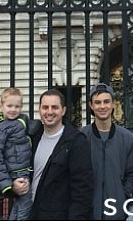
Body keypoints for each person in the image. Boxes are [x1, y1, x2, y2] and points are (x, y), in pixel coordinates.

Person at [28, 87, 93, 221]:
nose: (49, 112)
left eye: (55, 107)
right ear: (39, 110)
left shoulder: (76, 141)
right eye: (45, 107)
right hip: (30, 213)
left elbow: (82, 189)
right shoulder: (33, 136)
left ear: (63, 110)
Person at [82, 81, 133, 220]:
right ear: (91, 105)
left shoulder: (127, 138)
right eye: (98, 102)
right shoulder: (82, 137)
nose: (102, 106)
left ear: (113, 104)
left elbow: (131, 173)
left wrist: (123, 194)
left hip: (117, 212)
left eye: (106, 101)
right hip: (88, 212)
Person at [0, 87, 35, 220]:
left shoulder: (19, 121)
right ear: (1, 106)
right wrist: (7, 184)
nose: (13, 109)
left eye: (17, 106)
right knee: (26, 208)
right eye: (9, 106)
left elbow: (31, 127)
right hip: (18, 173)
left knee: (19, 206)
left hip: (24, 169)